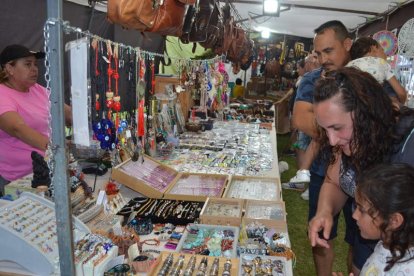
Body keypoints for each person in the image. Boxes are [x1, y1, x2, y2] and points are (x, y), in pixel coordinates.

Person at [308, 67, 414, 275]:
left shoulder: (408, 147)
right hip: (373, 247)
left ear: (366, 114)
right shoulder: (352, 138)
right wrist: (325, 211)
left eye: (337, 128)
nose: (332, 140)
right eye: (325, 129)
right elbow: (334, 181)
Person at [291, 20, 354, 276]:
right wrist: (342, 131)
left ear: (347, 44)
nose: (323, 58)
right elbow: (301, 119)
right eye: (318, 53)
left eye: (328, 51)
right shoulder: (312, 79)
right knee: (321, 233)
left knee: (361, 239)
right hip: (321, 170)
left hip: (364, 175)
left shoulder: (367, 78)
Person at [0, 44, 72, 196]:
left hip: (47, 171)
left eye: (35, 64)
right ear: (9, 68)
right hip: (15, 179)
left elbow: (67, 112)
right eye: (27, 64)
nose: (34, 69)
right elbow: (17, 128)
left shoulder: (37, 89)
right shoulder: (2, 94)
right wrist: (57, 149)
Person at [333, 163, 414, 276]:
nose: (354, 215)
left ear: (394, 221)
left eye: (361, 210)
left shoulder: (407, 270)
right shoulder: (385, 244)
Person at [347, 36, 407, 105]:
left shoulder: (349, 66)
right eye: (382, 50)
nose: (385, 54)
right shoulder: (381, 63)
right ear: (374, 48)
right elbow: (401, 93)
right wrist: (401, 103)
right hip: (382, 106)